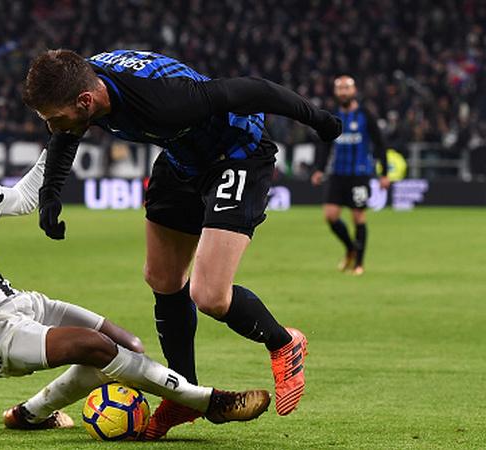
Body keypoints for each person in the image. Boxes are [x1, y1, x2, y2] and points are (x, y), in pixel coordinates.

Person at [0, 97, 272, 433]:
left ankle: (28, 415)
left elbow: (24, 196)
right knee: (94, 348)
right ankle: (206, 400)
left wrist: (63, 134)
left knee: (125, 344)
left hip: (18, 304)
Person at [22, 49, 342, 438]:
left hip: (236, 155)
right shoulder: (80, 81)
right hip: (181, 159)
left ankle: (284, 342)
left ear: (85, 101)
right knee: (162, 277)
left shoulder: (165, 100)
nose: (54, 127)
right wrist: (51, 193)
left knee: (209, 295)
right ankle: (184, 394)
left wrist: (319, 120)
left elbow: (253, 90)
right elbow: (66, 133)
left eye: (55, 117)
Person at [311, 76, 390, 275]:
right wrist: (320, 169)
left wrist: (384, 173)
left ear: (354, 90)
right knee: (330, 216)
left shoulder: (365, 115)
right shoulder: (333, 115)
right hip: (337, 174)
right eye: (339, 88)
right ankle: (350, 248)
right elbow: (325, 144)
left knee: (358, 216)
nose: (343, 92)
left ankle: (359, 264)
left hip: (359, 175)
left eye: (347, 88)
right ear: (335, 92)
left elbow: (379, 143)